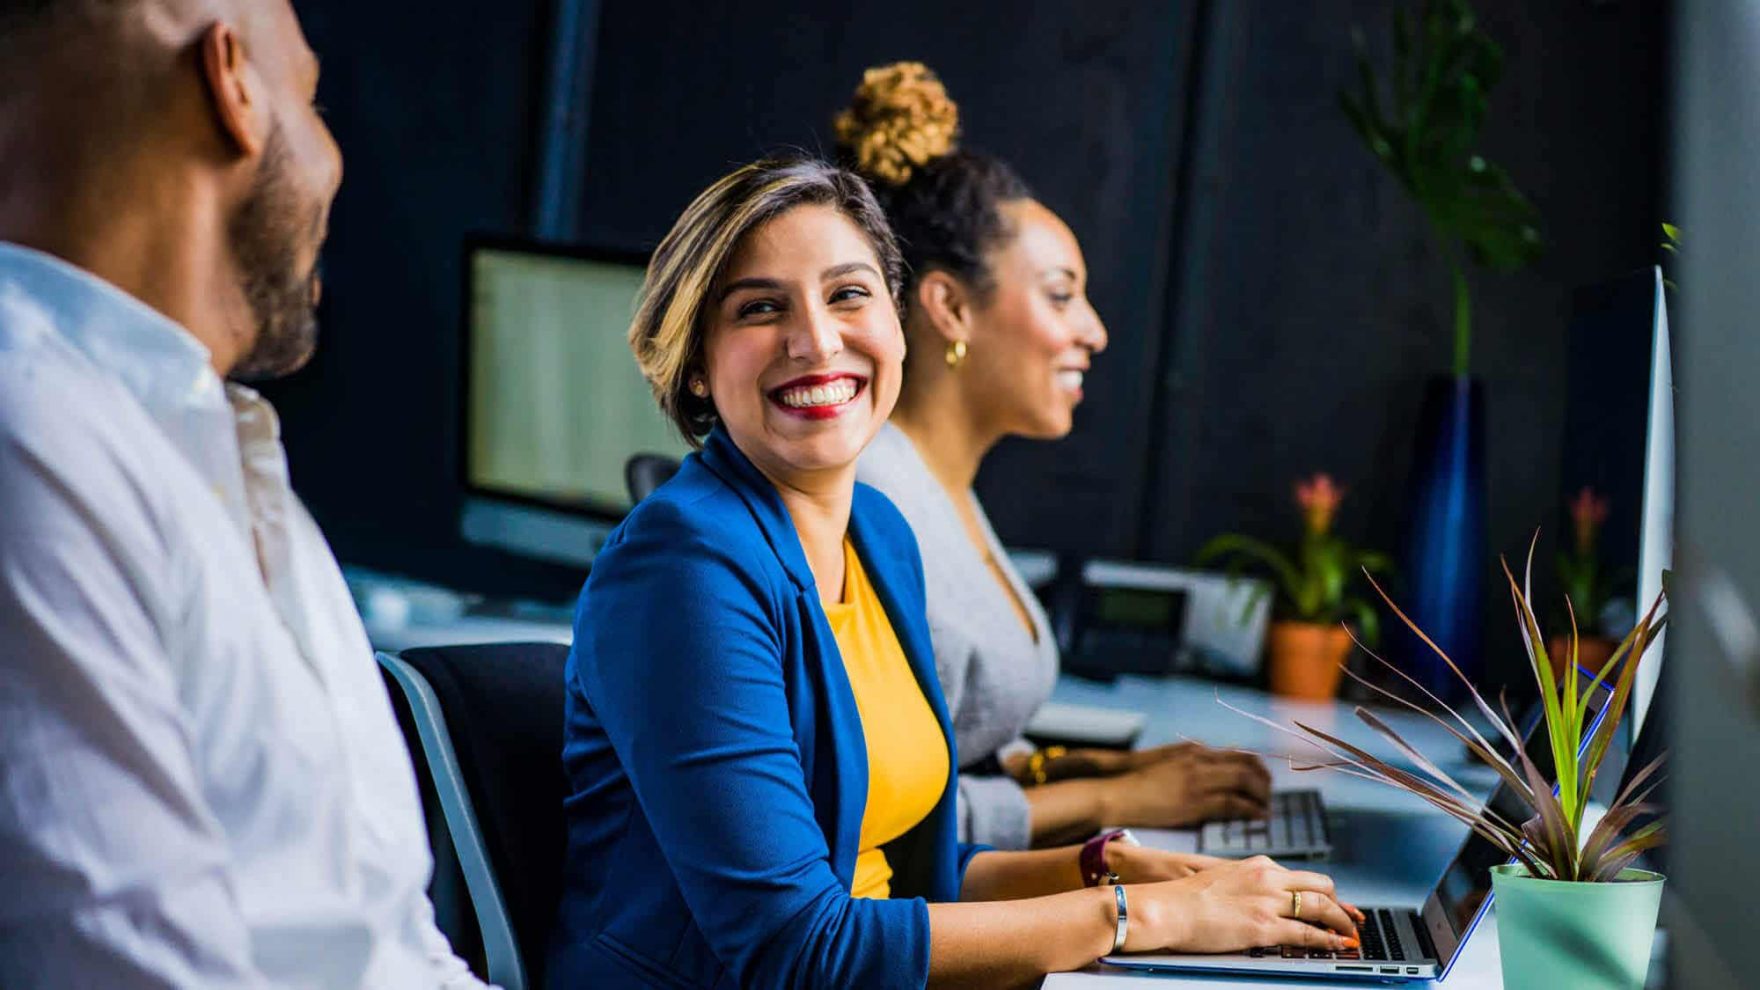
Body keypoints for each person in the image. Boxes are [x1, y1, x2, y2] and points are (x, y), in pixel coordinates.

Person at [550, 155, 1360, 988]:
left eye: (849, 294)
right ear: (694, 363)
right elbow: (797, 949)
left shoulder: (879, 533)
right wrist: (1138, 917)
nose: (817, 340)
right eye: (761, 308)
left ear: (899, 325)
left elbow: (912, 880)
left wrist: (1111, 872)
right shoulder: (684, 570)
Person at [0, 2, 488, 986]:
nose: (336, 160)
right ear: (230, 82)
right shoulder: (33, 435)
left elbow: (388, 947)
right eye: (312, 100)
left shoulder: (216, 455)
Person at [839, 62, 1272, 849]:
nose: (1095, 331)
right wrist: (1114, 803)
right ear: (950, 306)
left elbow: (957, 750)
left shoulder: (941, 488)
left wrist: (1093, 772)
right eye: (1061, 294)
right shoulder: (874, 504)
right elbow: (881, 822)